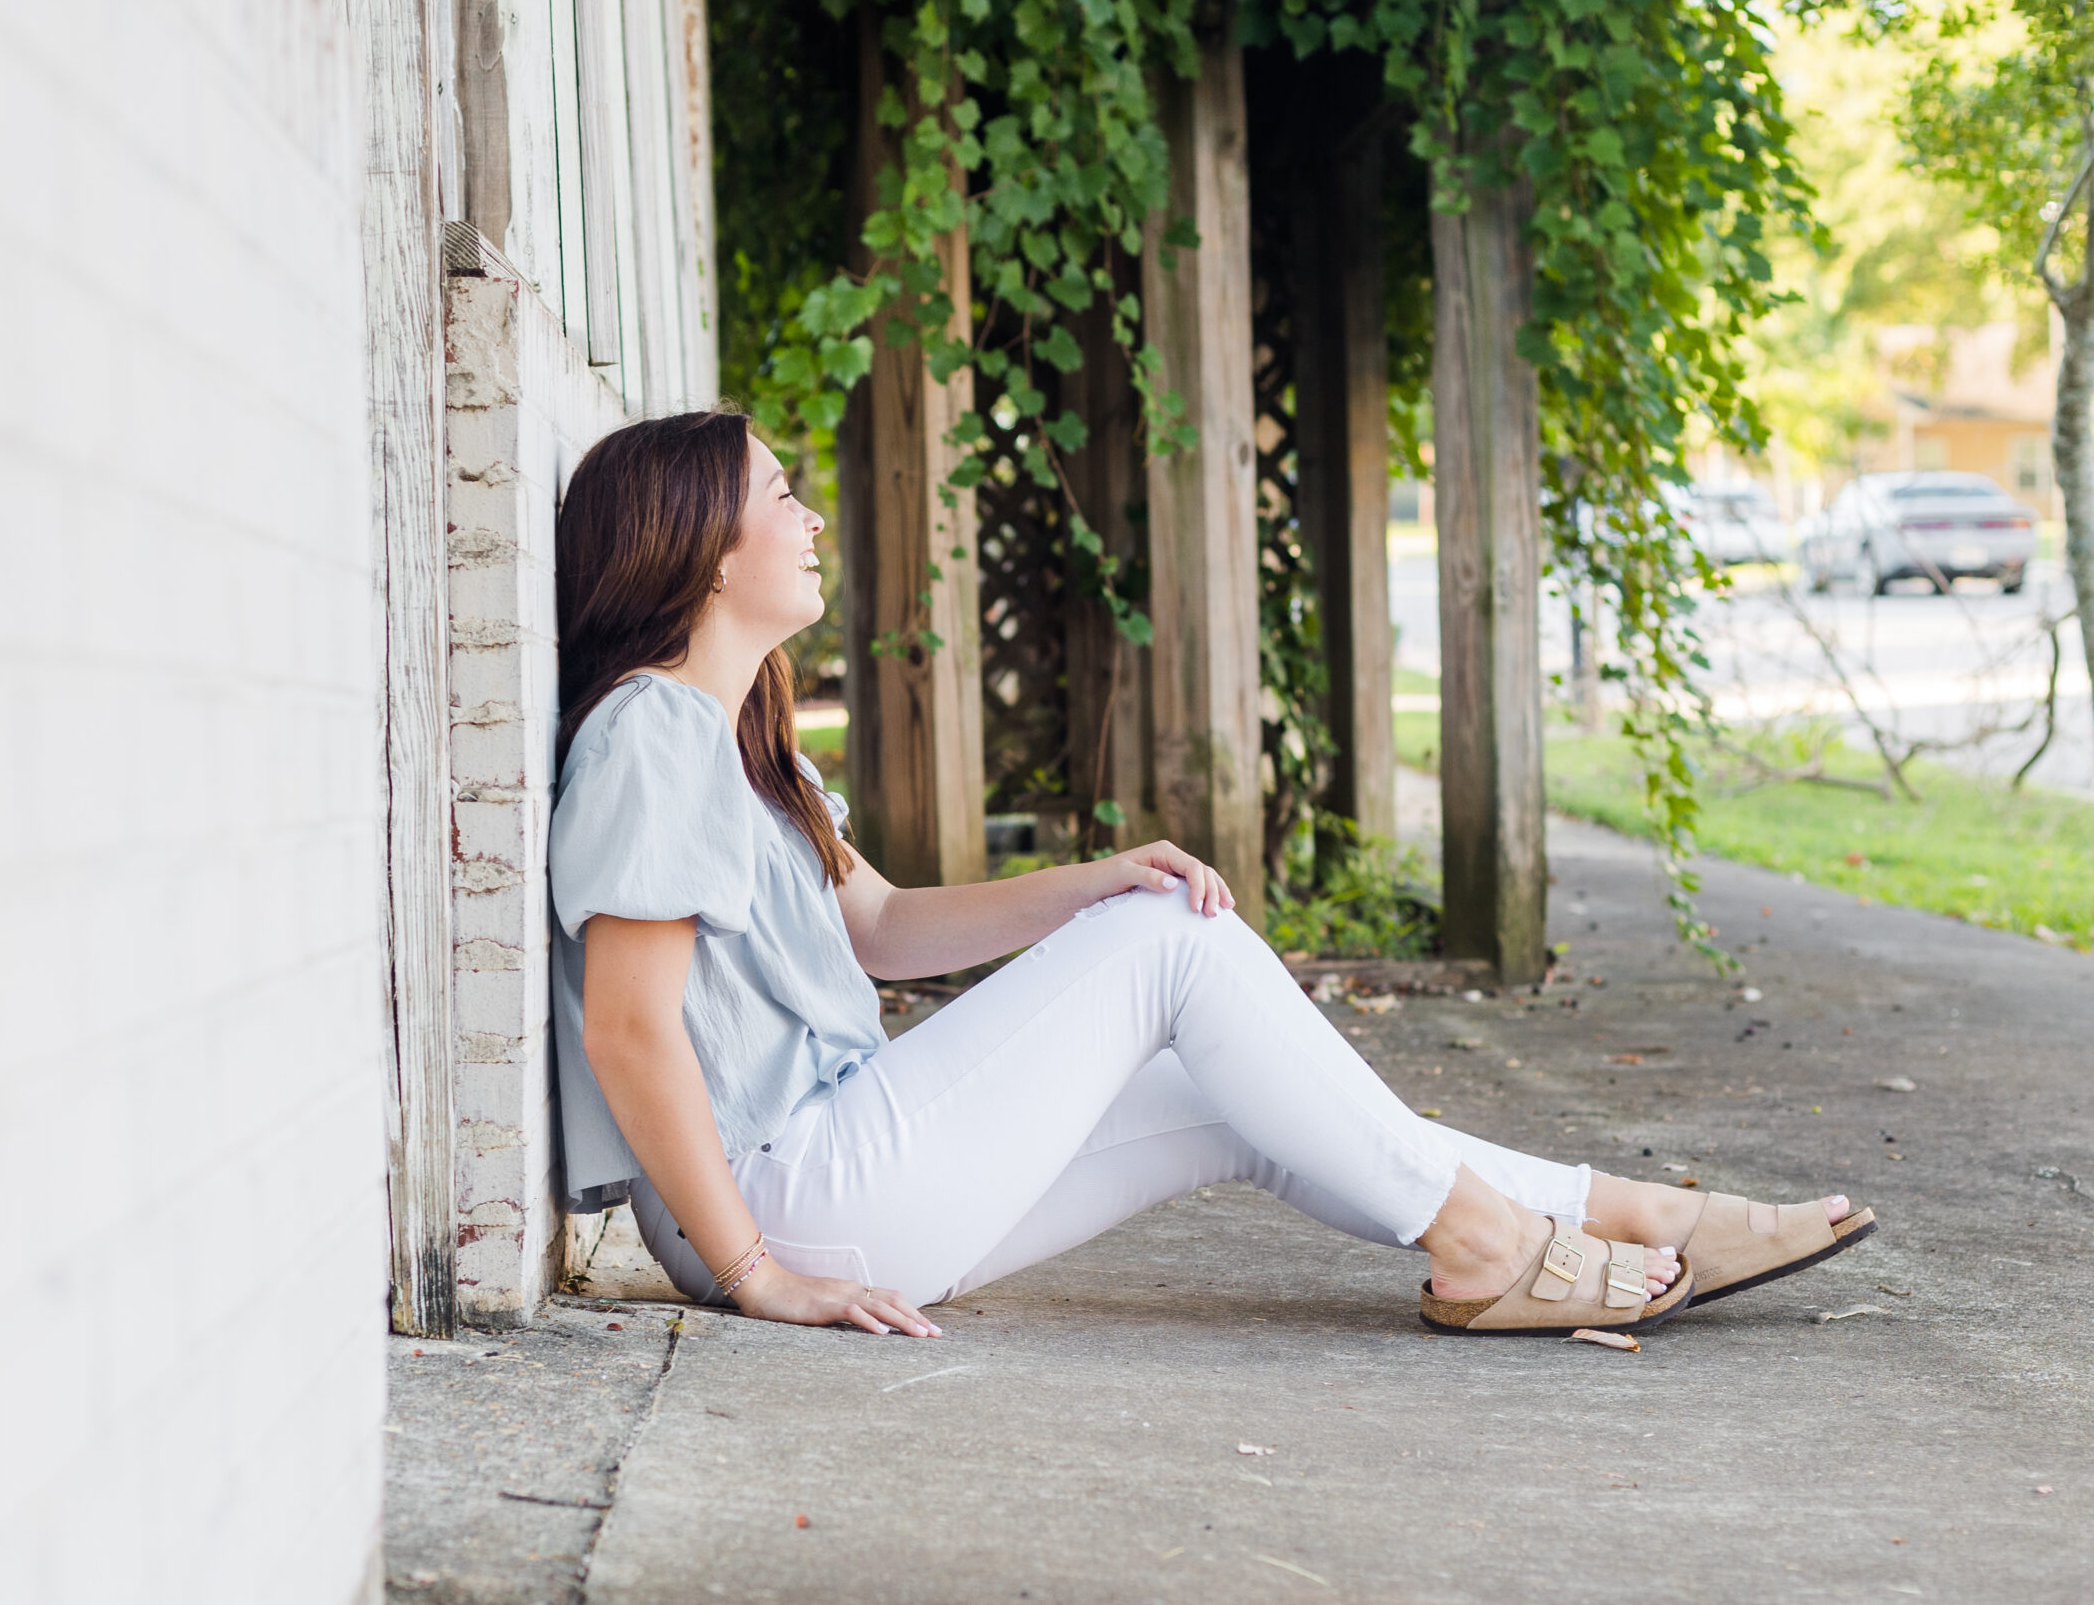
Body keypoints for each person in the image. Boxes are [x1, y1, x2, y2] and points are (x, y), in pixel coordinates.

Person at [548, 410, 1875, 1342]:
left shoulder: (735, 741)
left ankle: (1622, 1212)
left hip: (830, 1180)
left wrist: (1098, 879)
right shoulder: (652, 730)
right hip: (784, 1197)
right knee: (1176, 948)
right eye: (781, 494)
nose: (812, 514)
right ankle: (1487, 1250)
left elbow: (883, 928)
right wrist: (754, 1272)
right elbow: (629, 1025)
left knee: (1224, 1083)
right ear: (709, 543)